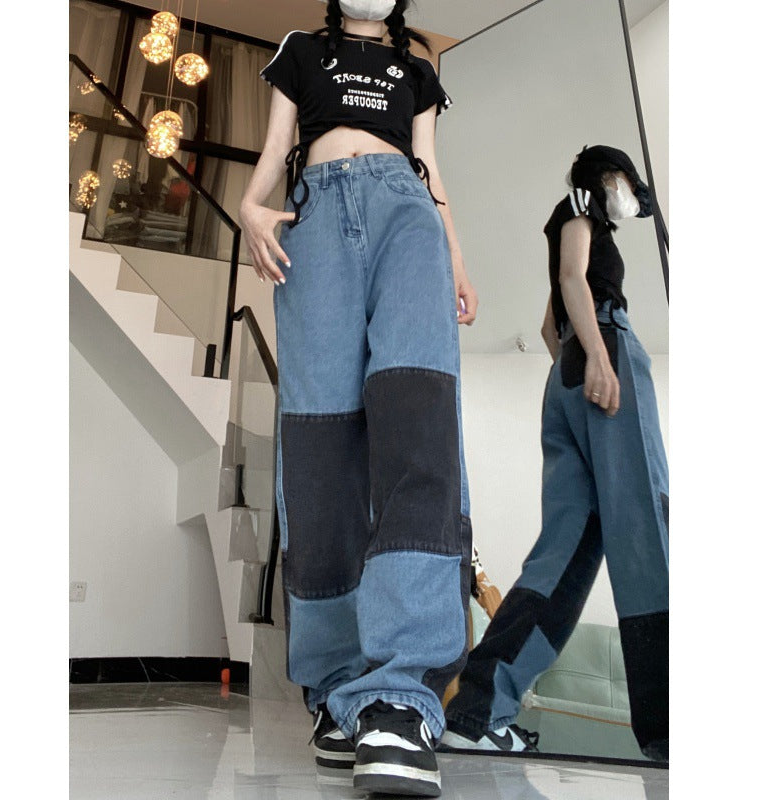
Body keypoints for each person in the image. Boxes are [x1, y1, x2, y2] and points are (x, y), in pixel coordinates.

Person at [238, 1, 478, 795]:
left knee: (417, 424)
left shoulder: (417, 67)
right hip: (315, 216)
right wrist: (249, 206)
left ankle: (402, 695)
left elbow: (430, 171)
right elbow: (275, 149)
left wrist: (456, 259)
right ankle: (341, 687)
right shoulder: (301, 49)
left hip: (406, 214)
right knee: (319, 444)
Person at [439, 145, 669, 763]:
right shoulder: (581, 204)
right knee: (647, 528)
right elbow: (573, 279)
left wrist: (574, 368)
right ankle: (671, 726)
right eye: (628, 184)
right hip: (604, 347)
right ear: (609, 175)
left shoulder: (575, 218)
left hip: (567, 375)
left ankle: (477, 710)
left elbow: (549, 324)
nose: (630, 197)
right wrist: (598, 358)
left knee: (563, 557)